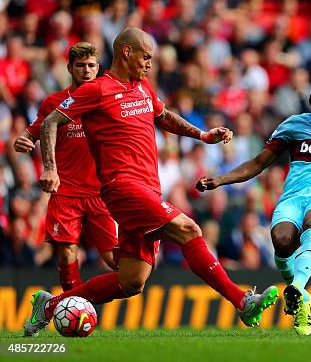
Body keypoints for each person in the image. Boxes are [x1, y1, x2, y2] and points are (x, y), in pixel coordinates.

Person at [24, 27, 277, 337]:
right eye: (145, 57)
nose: (149, 64)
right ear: (126, 52)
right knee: (189, 229)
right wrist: (51, 168)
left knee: (132, 280)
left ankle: (49, 307)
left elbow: (164, 115)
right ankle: (242, 301)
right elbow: (51, 122)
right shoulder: (97, 90)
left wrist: (202, 135)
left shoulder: (141, 87)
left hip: (147, 187)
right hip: (123, 186)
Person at [197, 74, 311, 336]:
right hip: (293, 196)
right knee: (281, 239)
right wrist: (222, 179)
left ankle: (298, 286)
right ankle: (300, 299)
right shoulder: (293, 126)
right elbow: (258, 164)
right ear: (310, 100)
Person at [13, 42, 118, 290]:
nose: (86, 70)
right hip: (66, 191)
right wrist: (23, 139)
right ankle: (70, 309)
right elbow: (31, 132)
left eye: (91, 65)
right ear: (69, 67)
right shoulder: (54, 103)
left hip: (100, 192)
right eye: (80, 65)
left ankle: (65, 304)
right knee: (67, 254)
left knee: (114, 260)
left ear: (98, 68)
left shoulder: (107, 102)